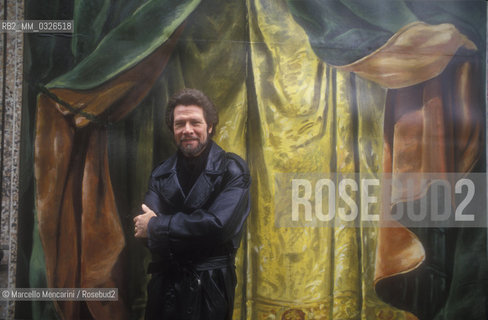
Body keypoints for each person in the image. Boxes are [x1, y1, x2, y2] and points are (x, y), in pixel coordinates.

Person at [133, 88, 251, 320]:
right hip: (164, 286)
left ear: (210, 126)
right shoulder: (160, 173)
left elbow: (218, 227)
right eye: (180, 124)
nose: (187, 130)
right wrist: (191, 231)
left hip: (210, 286)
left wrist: (158, 228)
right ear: (173, 130)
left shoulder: (232, 169)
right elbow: (146, 237)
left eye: (195, 122)